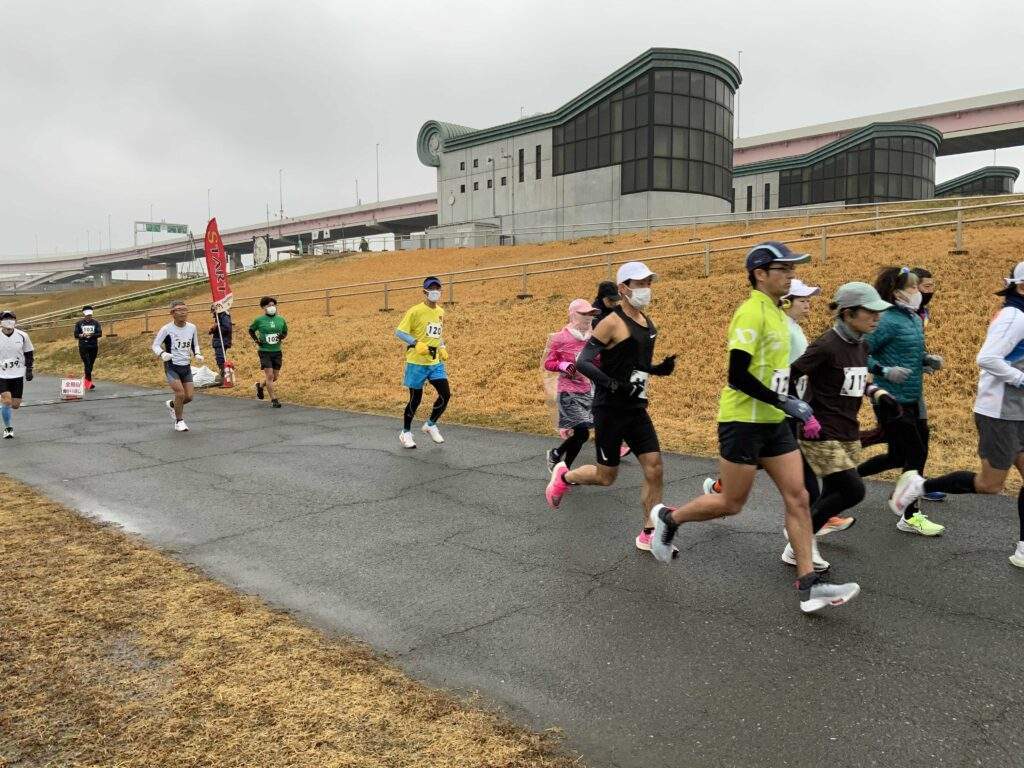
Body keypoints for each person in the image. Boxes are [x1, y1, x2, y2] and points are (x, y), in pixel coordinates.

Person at [649, 242, 860, 614]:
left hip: (774, 422)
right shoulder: (751, 312)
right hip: (743, 421)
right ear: (760, 274)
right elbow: (737, 375)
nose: (791, 275)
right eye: (784, 269)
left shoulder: (779, 314)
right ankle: (670, 518)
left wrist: (789, 402)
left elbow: (781, 372)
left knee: (799, 498)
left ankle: (810, 584)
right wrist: (784, 401)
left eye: (792, 269)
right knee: (731, 503)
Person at [886, 261, 1024, 568]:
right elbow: (987, 358)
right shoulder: (1014, 317)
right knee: (990, 484)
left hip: (1019, 410)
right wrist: (1021, 379)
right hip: (1000, 411)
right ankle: (919, 487)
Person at [544, 261, 678, 556]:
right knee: (606, 476)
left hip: (636, 407)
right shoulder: (611, 322)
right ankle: (563, 476)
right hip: (610, 408)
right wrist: (613, 385)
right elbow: (583, 361)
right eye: (640, 283)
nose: (646, 289)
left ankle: (649, 532)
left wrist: (657, 369)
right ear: (623, 288)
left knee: (654, 467)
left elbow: (634, 364)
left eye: (648, 283)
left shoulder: (647, 323)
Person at [701, 279, 833, 531]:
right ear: (787, 303)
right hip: (767, 408)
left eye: (809, 300)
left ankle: (720, 487)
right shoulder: (774, 324)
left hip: (781, 407)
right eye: (802, 300)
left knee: (779, 467)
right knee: (789, 467)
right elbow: (769, 373)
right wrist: (789, 402)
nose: (808, 305)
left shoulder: (791, 328)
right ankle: (818, 515)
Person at [790, 282, 902, 553]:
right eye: (870, 312)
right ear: (848, 314)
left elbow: (855, 379)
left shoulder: (861, 345)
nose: (877, 318)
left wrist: (878, 394)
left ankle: (800, 541)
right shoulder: (826, 345)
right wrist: (802, 412)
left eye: (878, 312)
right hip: (820, 432)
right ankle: (798, 544)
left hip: (847, 429)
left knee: (832, 493)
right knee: (853, 491)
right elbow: (789, 376)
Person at [856, 267, 945, 536]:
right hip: (890, 399)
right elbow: (859, 353)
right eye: (913, 287)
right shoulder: (885, 320)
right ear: (896, 293)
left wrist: (926, 360)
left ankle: (845, 479)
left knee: (897, 456)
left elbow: (909, 352)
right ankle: (910, 515)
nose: (919, 292)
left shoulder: (914, 318)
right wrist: (884, 371)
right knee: (916, 453)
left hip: (913, 395)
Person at [543, 299, 600, 470]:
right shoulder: (560, 338)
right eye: (584, 313)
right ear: (574, 315)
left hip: (587, 391)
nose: (588, 317)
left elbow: (598, 362)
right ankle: (561, 464)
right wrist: (562, 365)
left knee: (582, 435)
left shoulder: (593, 339)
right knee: (582, 432)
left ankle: (559, 461)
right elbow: (548, 363)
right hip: (567, 392)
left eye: (591, 314)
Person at [395, 277, 450, 448]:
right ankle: (405, 433)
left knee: (445, 394)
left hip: (434, 362)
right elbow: (400, 332)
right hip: (416, 362)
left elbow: (437, 334)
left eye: (437, 288)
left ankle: (430, 425)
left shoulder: (440, 311)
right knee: (415, 399)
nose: (435, 291)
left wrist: (442, 346)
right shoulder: (415, 311)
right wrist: (415, 342)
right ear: (424, 292)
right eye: (431, 288)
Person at [910, 267, 946, 503]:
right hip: (892, 386)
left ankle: (917, 485)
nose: (930, 291)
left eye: (933, 286)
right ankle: (844, 479)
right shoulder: (896, 314)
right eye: (926, 287)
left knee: (920, 435)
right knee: (901, 442)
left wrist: (924, 360)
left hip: (913, 384)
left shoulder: (923, 313)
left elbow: (915, 344)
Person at [151, 300, 203, 432]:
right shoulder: (166, 329)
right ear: (172, 313)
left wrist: (197, 353)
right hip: (172, 365)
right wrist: (162, 354)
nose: (183, 312)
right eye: (179, 310)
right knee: (180, 393)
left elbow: (195, 344)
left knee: (189, 397)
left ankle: (173, 405)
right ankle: (179, 421)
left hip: (186, 365)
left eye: (185, 309)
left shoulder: (192, 327)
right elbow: (155, 345)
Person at [0, 311, 34, 439]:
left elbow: (29, 353)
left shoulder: (23, 335)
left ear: (15, 321)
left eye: (11, 318)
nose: (8, 321)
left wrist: (29, 369)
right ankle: (8, 428)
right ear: (1, 322)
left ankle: (3, 405)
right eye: (5, 319)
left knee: (15, 405)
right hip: (1, 373)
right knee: (7, 400)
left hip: (17, 373)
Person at [249, 296, 287, 408]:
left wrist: (282, 336)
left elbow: (285, 332)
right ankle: (274, 399)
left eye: (273, 305)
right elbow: (251, 330)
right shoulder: (259, 320)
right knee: (269, 375)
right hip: (265, 351)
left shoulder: (281, 319)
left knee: (275, 377)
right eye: (269, 305)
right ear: (263, 307)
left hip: (277, 351)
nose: (272, 307)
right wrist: (257, 340)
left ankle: (260, 386)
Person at [73, 305, 102, 390]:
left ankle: (86, 380)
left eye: (90, 315)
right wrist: (81, 335)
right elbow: (76, 334)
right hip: (83, 346)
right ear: (84, 315)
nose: (89, 317)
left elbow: (99, 333)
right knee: (87, 363)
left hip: (93, 346)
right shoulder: (79, 323)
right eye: (87, 315)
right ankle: (88, 383)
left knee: (91, 364)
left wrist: (92, 335)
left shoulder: (96, 323)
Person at [208, 302, 233, 383]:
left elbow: (226, 328)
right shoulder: (220, 316)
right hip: (219, 341)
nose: (213, 313)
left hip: (221, 341)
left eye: (213, 311)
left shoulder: (223, 315)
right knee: (220, 359)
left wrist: (215, 329)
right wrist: (213, 329)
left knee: (221, 359)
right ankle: (224, 377)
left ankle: (226, 379)